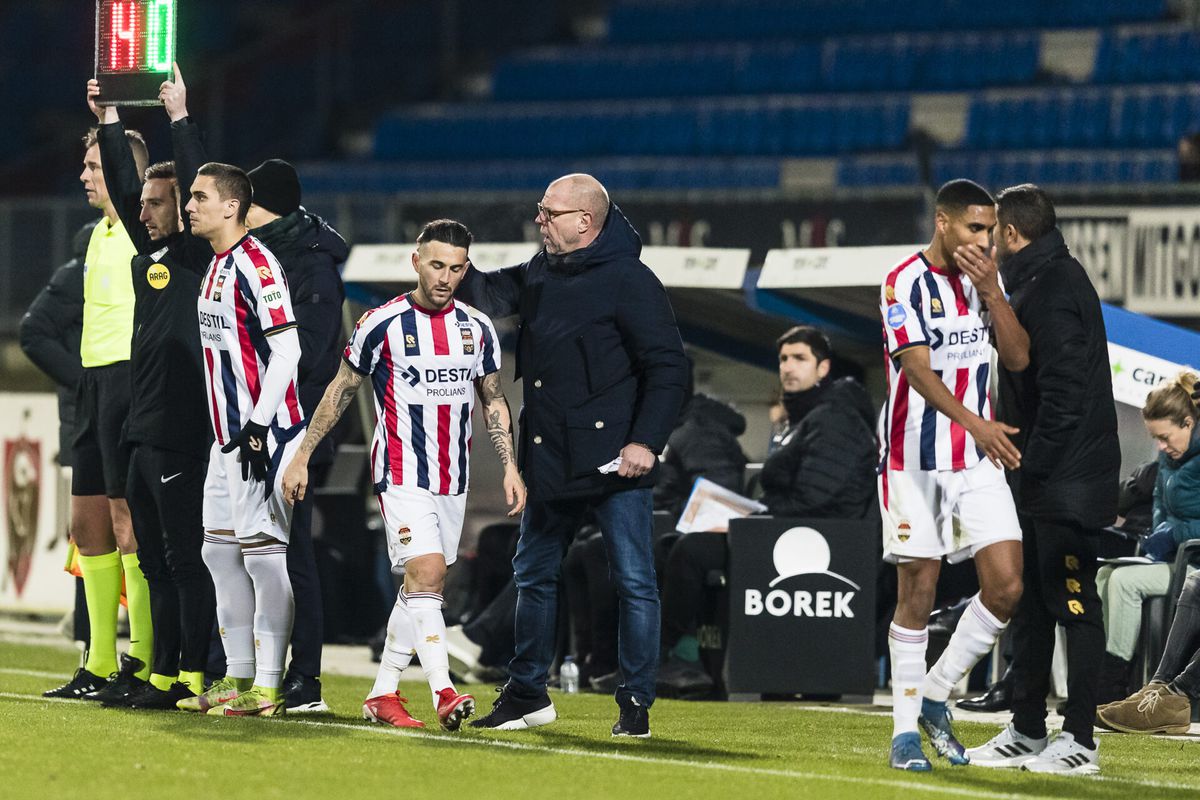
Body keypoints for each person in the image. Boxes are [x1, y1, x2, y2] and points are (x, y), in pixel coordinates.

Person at [458, 173, 689, 737]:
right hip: (551, 455)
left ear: (585, 220)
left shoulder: (630, 280)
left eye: (548, 212)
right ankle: (527, 693)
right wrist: (448, 263)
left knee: (634, 581)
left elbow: (670, 369)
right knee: (533, 575)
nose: (539, 219)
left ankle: (635, 705)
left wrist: (645, 443)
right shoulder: (542, 268)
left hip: (615, 463)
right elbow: (487, 295)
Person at [282, 219, 525, 731]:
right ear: (416, 261)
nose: (446, 277)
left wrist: (510, 468)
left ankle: (382, 693)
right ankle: (444, 690)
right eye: (437, 265)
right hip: (400, 472)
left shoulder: (476, 329)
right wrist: (302, 454)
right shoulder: (381, 323)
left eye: (457, 268)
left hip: (451, 478)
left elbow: (493, 400)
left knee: (421, 586)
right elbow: (341, 390)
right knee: (430, 574)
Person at [967, 184, 1120, 775]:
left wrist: (1032, 464)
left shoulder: (1055, 287)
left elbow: (1063, 395)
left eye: (990, 230)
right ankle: (1027, 729)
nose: (984, 240)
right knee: (1032, 606)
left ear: (1009, 234)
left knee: (1075, 607)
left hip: (1066, 481)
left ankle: (1080, 739)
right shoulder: (1035, 279)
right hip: (1045, 479)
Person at [878, 179, 1028, 772]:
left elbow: (1017, 357)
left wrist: (994, 292)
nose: (985, 239)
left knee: (1007, 586)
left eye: (990, 229)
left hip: (976, 459)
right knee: (918, 592)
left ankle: (936, 694)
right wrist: (979, 422)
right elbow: (916, 371)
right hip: (915, 459)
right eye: (974, 228)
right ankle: (903, 733)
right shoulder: (902, 281)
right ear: (943, 223)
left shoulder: (986, 279)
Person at [82, 70, 218, 710]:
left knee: (185, 559)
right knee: (156, 561)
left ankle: (196, 673)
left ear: (188, 209)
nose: (145, 210)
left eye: (160, 203)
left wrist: (180, 116)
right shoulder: (151, 255)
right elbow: (123, 183)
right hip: (142, 424)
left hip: (182, 426)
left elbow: (189, 180)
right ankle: (161, 672)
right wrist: (108, 119)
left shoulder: (195, 258)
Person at [657, 326, 876, 698]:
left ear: (823, 369)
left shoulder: (835, 416)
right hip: (781, 529)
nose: (788, 367)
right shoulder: (804, 417)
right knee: (670, 544)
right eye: (783, 359)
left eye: (800, 359)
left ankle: (673, 655)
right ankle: (687, 658)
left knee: (689, 550)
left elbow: (818, 498)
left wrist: (746, 523)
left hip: (814, 541)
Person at [179, 162, 305, 717]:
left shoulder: (258, 265)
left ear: (231, 206)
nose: (190, 205)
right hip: (227, 437)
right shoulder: (215, 266)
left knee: (263, 558)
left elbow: (289, 351)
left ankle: (269, 687)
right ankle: (236, 677)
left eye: (200, 197)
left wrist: (258, 427)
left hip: (264, 435)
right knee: (218, 550)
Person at [42, 121, 155, 701]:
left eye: (93, 166)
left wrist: (109, 119)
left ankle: (142, 661)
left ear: (118, 171)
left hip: (129, 382)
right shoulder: (95, 235)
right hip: (91, 385)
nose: (84, 175)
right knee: (86, 527)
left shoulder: (142, 230)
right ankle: (99, 662)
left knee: (126, 524)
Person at [247, 158, 349, 714]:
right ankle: (249, 669)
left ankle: (305, 677)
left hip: (297, 429)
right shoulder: (265, 256)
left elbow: (309, 355)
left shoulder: (309, 266)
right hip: (258, 424)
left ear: (268, 208)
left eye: (250, 204)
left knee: (292, 556)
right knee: (246, 553)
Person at [1095, 374, 1200, 734]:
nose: (1160, 447)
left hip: (1191, 554)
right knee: (1109, 575)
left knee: (1129, 581)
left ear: (1188, 423)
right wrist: (1160, 532)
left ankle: (1163, 692)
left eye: (1164, 437)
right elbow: (1158, 501)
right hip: (1181, 560)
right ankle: (1157, 691)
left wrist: (1178, 535)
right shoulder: (1172, 461)